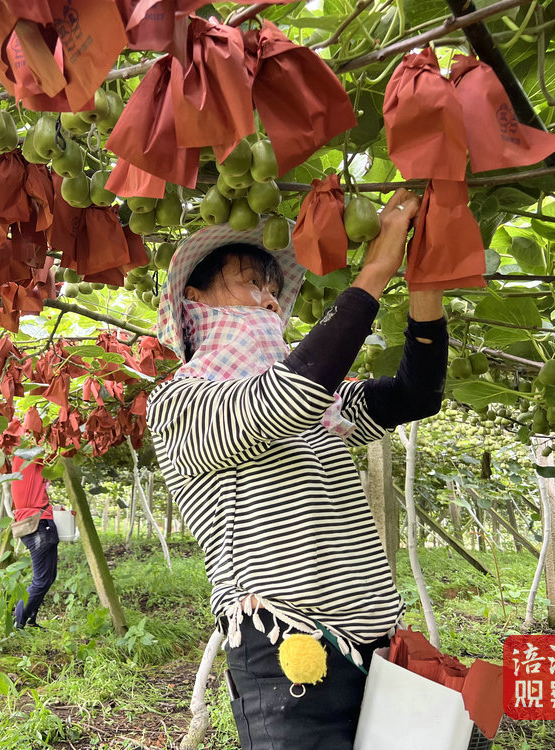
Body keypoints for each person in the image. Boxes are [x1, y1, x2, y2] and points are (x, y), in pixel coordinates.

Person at [146, 189, 448, 750]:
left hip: (374, 644)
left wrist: (425, 286)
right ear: (194, 297)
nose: (266, 301)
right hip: (285, 653)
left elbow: (415, 394)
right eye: (248, 282)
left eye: (270, 288)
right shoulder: (179, 404)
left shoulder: (325, 408)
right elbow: (285, 397)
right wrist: (377, 268)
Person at [10, 455, 58, 630]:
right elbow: (57, 452)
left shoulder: (24, 460)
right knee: (41, 580)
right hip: (37, 525)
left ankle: (29, 620)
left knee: (49, 577)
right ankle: (17, 623)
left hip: (39, 523)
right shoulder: (30, 455)